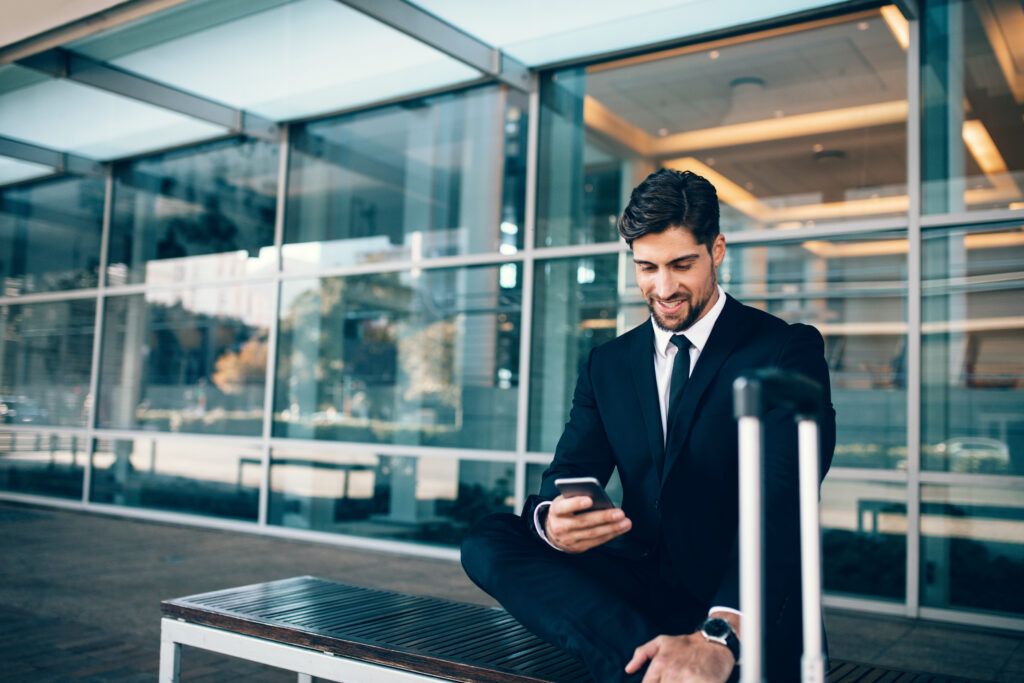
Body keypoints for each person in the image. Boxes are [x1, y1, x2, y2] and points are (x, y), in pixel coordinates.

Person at [461, 168, 836, 682]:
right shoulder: (608, 364)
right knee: (490, 539)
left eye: (682, 265)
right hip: (637, 592)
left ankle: (678, 659)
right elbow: (570, 469)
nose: (663, 288)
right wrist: (556, 520)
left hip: (733, 599)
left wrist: (722, 633)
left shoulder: (784, 349)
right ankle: (653, 669)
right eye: (647, 267)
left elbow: (782, 501)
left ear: (717, 250)